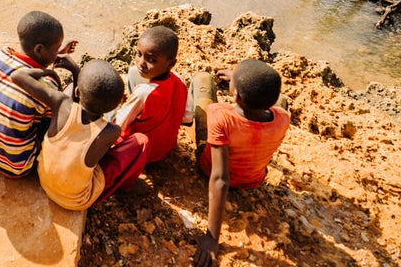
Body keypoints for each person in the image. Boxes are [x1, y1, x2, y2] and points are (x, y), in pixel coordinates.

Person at [12, 59, 150, 210]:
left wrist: (49, 72)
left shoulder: (61, 103)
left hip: (44, 180)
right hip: (75, 201)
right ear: (116, 105)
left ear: (78, 92)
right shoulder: (111, 132)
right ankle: (125, 187)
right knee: (141, 140)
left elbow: (18, 76)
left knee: (67, 89)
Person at [191, 59, 291, 267]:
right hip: (254, 179)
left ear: (235, 95)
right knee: (281, 100)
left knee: (203, 79)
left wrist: (212, 238)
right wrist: (237, 81)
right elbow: (273, 100)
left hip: (209, 169)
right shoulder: (283, 117)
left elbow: (220, 179)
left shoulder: (219, 114)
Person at [0, 11, 78, 178]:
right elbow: (59, 113)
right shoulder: (48, 83)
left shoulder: (3, 54)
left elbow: (28, 64)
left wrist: (53, 52)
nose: (58, 52)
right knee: (60, 107)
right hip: (18, 166)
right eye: (55, 48)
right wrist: (73, 72)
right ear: (39, 49)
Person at [113, 26, 192, 164]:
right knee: (133, 71)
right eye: (139, 54)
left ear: (171, 63)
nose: (141, 63)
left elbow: (118, 126)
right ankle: (139, 112)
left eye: (151, 60)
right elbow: (187, 119)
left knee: (110, 108)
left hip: (141, 153)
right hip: (165, 149)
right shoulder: (179, 82)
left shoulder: (143, 93)